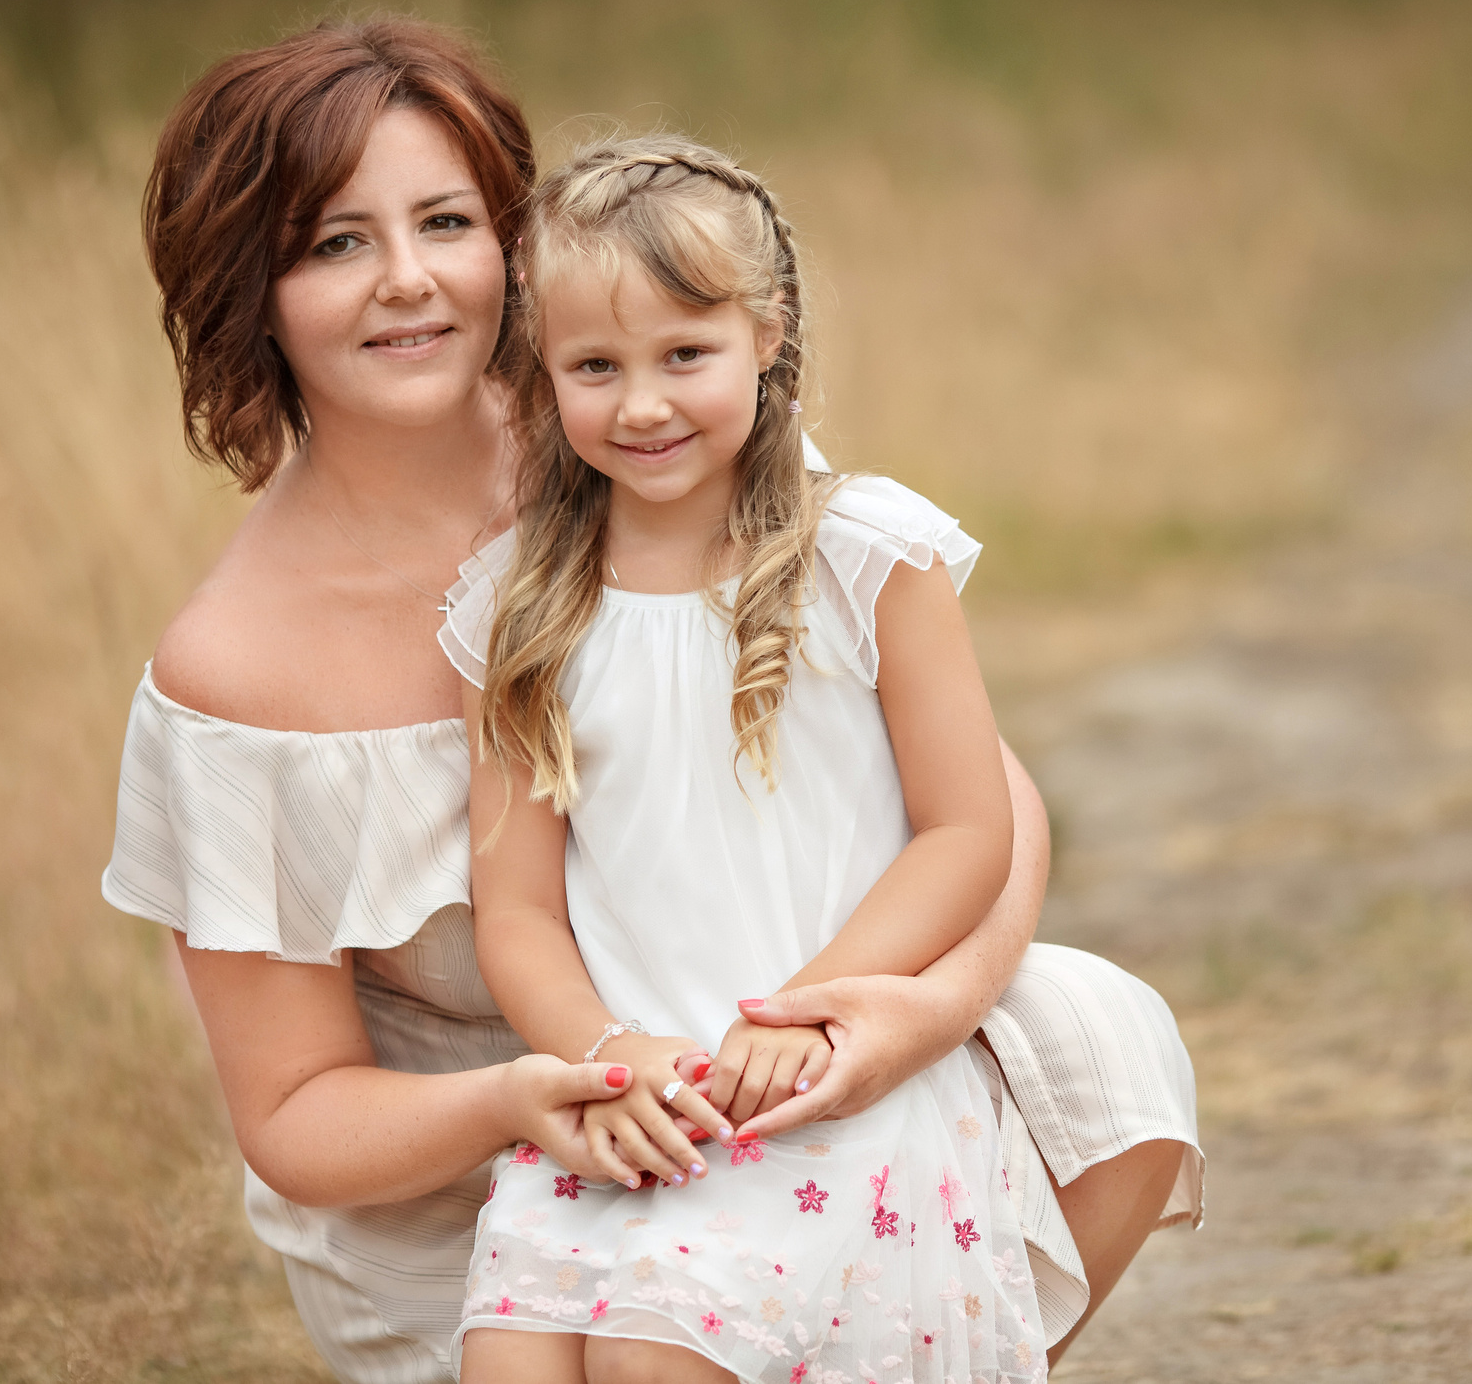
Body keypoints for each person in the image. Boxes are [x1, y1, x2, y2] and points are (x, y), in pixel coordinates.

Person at [101, 18, 1201, 1383]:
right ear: (247, 292)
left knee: (1092, 1032)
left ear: (515, 249)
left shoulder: (641, 428)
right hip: (481, 1176)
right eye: (334, 242)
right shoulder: (234, 670)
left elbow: (977, 799)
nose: (407, 279)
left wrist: (903, 1016)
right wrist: (531, 1095)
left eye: (445, 221)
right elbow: (293, 1117)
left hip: (763, 1062)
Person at [446, 137, 1046, 1383]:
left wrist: (806, 1016)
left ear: (765, 334)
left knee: (652, 1362)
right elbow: (516, 909)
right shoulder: (516, 607)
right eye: (595, 367)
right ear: (542, 369)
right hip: (631, 1095)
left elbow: (967, 830)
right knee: (511, 1361)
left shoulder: (868, 556)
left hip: (826, 1082)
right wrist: (603, 1051)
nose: (642, 405)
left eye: (685, 354)